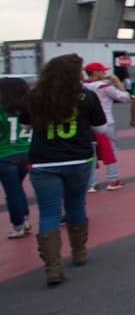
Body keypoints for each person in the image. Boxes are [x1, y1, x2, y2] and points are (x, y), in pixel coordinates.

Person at [21, 54, 108, 285]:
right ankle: (79, 252)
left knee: (49, 212)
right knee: (76, 204)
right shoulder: (86, 96)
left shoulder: (36, 95)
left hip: (43, 161)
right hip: (78, 158)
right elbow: (100, 127)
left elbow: (26, 124)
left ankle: (53, 266)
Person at [83, 62, 130, 192]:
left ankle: (91, 183)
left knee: (90, 152)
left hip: (87, 123)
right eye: (102, 71)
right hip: (106, 121)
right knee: (111, 149)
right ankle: (112, 179)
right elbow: (124, 97)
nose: (104, 73)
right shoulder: (104, 86)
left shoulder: (83, 86)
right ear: (96, 72)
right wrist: (118, 82)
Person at [0, 77, 33, 239]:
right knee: (18, 189)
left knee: (12, 191)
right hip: (27, 152)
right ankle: (25, 218)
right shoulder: (28, 107)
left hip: (5, 153)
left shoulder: (2, 109)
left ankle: (18, 224)